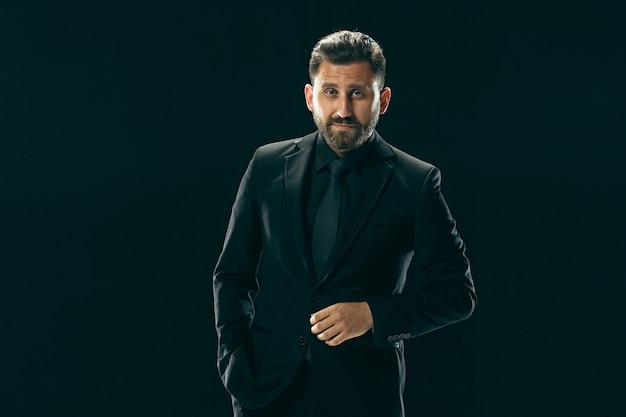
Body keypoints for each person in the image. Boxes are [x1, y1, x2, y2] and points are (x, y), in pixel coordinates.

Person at [213, 30, 476, 417]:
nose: (343, 110)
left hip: (365, 395)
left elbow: (457, 293)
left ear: (382, 100)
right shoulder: (266, 166)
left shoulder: (416, 182)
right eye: (331, 92)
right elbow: (232, 275)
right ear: (310, 97)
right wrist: (234, 361)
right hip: (266, 393)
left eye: (358, 93)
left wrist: (372, 314)